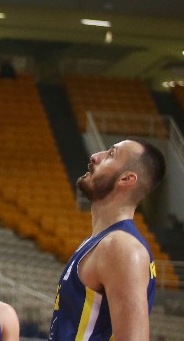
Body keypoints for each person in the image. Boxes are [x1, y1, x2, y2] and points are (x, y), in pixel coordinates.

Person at [48, 139, 166, 340]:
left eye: (111, 155)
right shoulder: (99, 242)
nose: (95, 156)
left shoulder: (121, 247)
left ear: (126, 179)